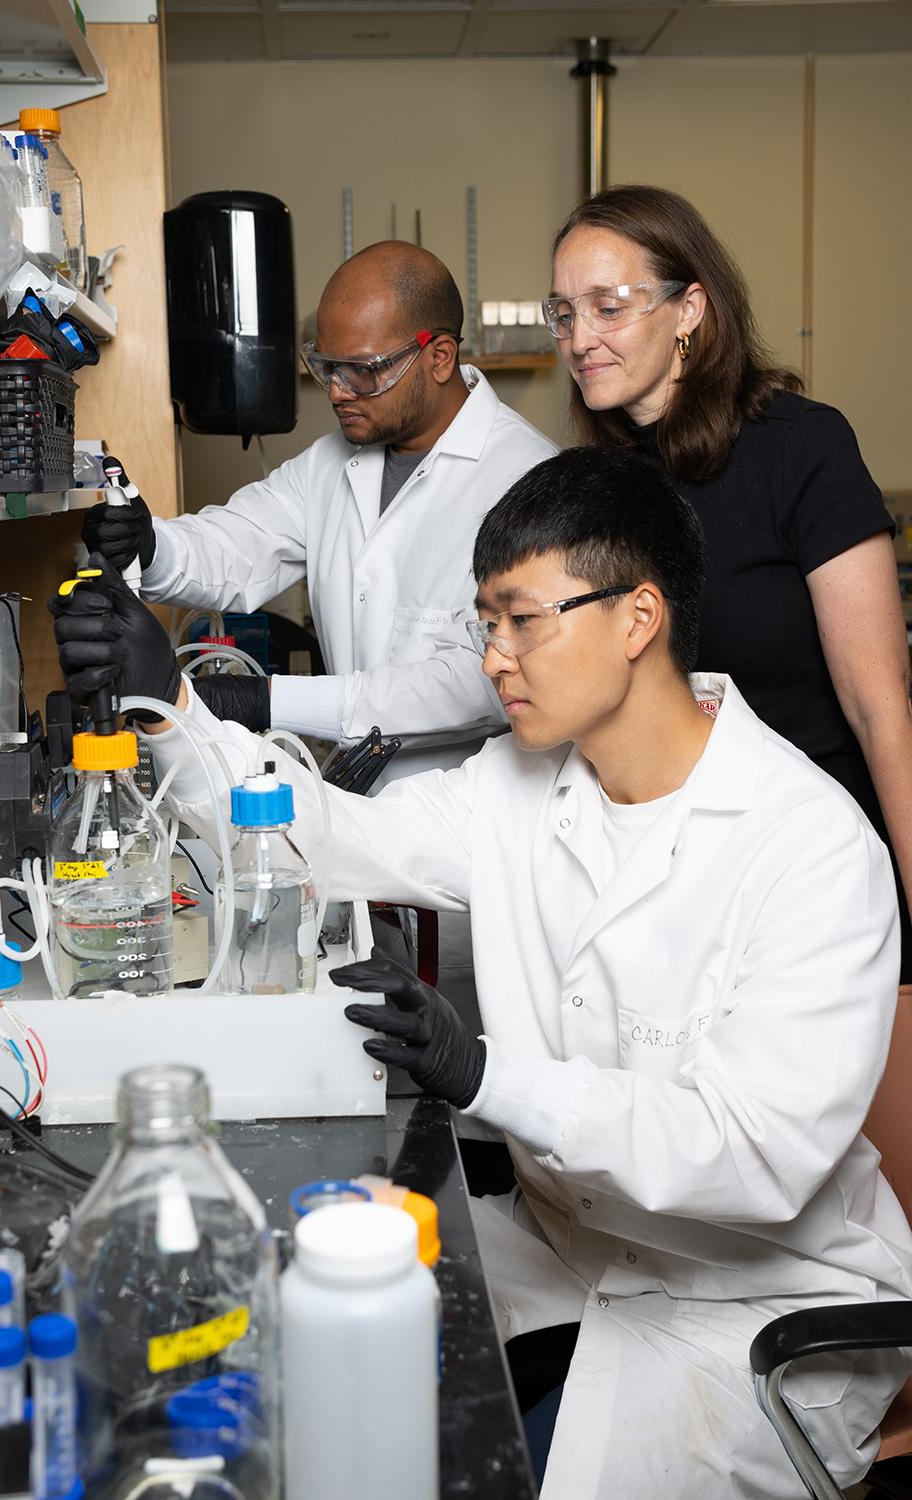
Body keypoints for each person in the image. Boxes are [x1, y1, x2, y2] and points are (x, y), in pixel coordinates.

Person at [52, 445, 912, 1500]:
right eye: (484, 623)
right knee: (300, 1336)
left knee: (478, 1475)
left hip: (751, 1305)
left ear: (637, 618)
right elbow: (330, 835)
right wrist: (170, 706)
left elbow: (754, 1154)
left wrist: (486, 1073)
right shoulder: (522, 780)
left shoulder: (809, 849)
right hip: (569, 1251)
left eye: (522, 620)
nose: (494, 657)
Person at [544, 184, 912, 978]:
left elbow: (880, 709)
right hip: (668, 881)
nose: (580, 338)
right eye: (565, 313)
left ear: (690, 310)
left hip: (812, 870)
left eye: (608, 307)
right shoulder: (592, 487)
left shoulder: (800, 449)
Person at [81, 238, 556, 783]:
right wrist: (150, 545)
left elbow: (480, 683)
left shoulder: (531, 478)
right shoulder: (331, 461)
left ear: (439, 357)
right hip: (354, 800)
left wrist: (265, 699)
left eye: (363, 370)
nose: (336, 390)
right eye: (325, 364)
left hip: (475, 818)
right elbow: (242, 541)